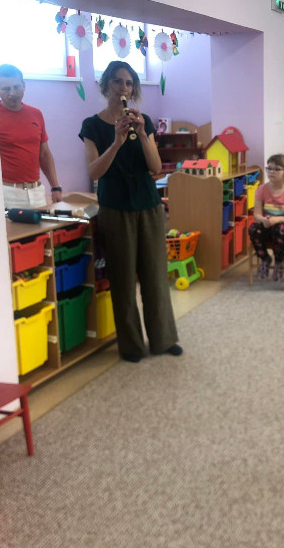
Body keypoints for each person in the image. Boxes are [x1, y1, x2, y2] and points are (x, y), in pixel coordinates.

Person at [79, 61, 181, 363]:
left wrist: (141, 132)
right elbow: (94, 171)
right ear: (105, 85)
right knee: (123, 280)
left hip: (147, 203)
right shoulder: (92, 125)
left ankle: (163, 339)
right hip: (114, 205)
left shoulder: (143, 120)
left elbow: (155, 166)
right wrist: (117, 142)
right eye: (117, 82)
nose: (123, 88)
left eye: (128, 83)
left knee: (155, 276)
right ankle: (132, 346)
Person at [0, 64, 62, 208]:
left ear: (24, 86)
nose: (12, 93)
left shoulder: (36, 114)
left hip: (36, 191)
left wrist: (55, 187)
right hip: (6, 192)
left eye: (16, 87)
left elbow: (44, 154)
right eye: (6, 88)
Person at [248, 154, 284, 282]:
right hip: (267, 227)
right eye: (269, 168)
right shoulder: (261, 189)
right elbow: (257, 214)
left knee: (280, 228)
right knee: (253, 228)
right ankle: (265, 258)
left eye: (277, 169)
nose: (272, 172)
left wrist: (276, 220)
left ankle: (279, 261)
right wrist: (263, 220)